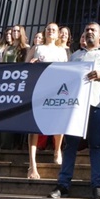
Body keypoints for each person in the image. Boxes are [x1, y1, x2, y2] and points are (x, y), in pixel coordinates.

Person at [49, 22, 100, 199]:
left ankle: (97, 186)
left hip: (96, 105)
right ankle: (63, 185)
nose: (89, 32)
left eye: (92, 30)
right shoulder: (74, 55)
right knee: (70, 145)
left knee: (96, 145)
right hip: (74, 107)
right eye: (86, 30)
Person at [27, 22, 68, 178]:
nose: (51, 31)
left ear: (58, 34)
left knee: (58, 122)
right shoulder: (37, 48)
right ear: (45, 33)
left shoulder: (62, 51)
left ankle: (57, 150)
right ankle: (32, 165)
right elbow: (26, 66)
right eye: (48, 29)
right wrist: (31, 64)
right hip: (38, 89)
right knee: (34, 126)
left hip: (56, 90)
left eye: (54, 30)